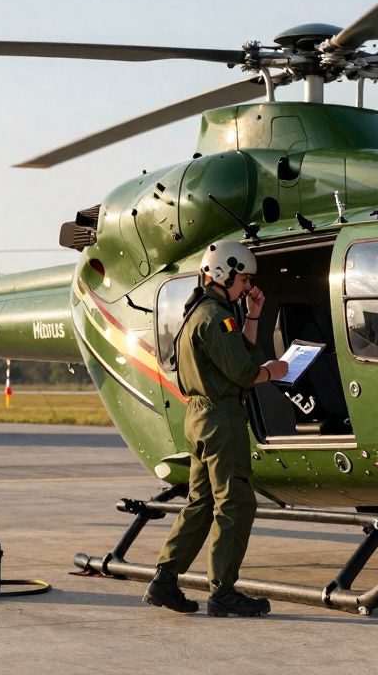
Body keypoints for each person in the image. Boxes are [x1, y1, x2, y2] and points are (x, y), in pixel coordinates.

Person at [144, 240, 289, 617]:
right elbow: (243, 371)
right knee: (236, 503)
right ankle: (223, 591)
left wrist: (253, 316)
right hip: (222, 419)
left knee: (201, 502)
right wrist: (272, 371)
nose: (247, 287)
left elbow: (235, 354)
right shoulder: (215, 316)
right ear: (223, 273)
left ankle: (165, 579)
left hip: (201, 417)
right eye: (244, 280)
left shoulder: (206, 313)